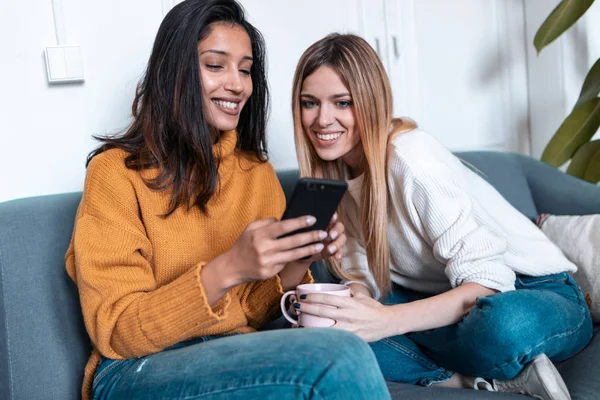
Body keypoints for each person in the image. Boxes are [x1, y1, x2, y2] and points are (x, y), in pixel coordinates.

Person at [65, 3, 391, 399]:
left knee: (351, 346)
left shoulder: (255, 172)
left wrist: (297, 260)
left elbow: (255, 311)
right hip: (135, 369)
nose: (238, 84)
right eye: (216, 65)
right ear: (176, 72)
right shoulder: (115, 174)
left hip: (230, 352)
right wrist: (229, 268)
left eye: (245, 68)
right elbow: (117, 331)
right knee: (339, 357)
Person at [289, 33, 593, 400]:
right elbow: (363, 276)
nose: (323, 120)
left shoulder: (411, 157)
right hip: (440, 301)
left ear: (370, 102)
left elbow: (487, 282)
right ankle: (468, 380)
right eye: (310, 103)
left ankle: (443, 361)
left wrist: (385, 321)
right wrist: (355, 307)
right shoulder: (331, 177)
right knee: (330, 336)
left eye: (342, 102)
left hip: (531, 292)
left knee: (503, 326)